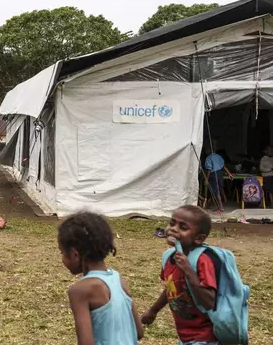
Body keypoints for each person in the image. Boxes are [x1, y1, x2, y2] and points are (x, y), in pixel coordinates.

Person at [58, 211, 143, 345]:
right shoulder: (118, 279)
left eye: (62, 252)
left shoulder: (80, 290)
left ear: (75, 254)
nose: (61, 257)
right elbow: (138, 332)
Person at [141, 205, 218, 345]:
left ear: (199, 238)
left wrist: (188, 271)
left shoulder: (202, 260)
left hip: (206, 337)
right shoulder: (169, 257)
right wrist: (153, 311)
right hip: (184, 335)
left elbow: (209, 302)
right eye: (172, 223)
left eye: (183, 227)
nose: (173, 229)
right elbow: (172, 287)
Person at [204, 146, 233, 212]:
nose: (205, 151)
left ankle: (221, 207)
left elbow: (209, 169)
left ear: (209, 150)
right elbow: (223, 166)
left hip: (214, 175)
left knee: (216, 191)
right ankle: (218, 206)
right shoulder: (218, 156)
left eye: (206, 149)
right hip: (220, 174)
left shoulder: (208, 158)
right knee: (218, 190)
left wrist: (206, 179)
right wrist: (229, 173)